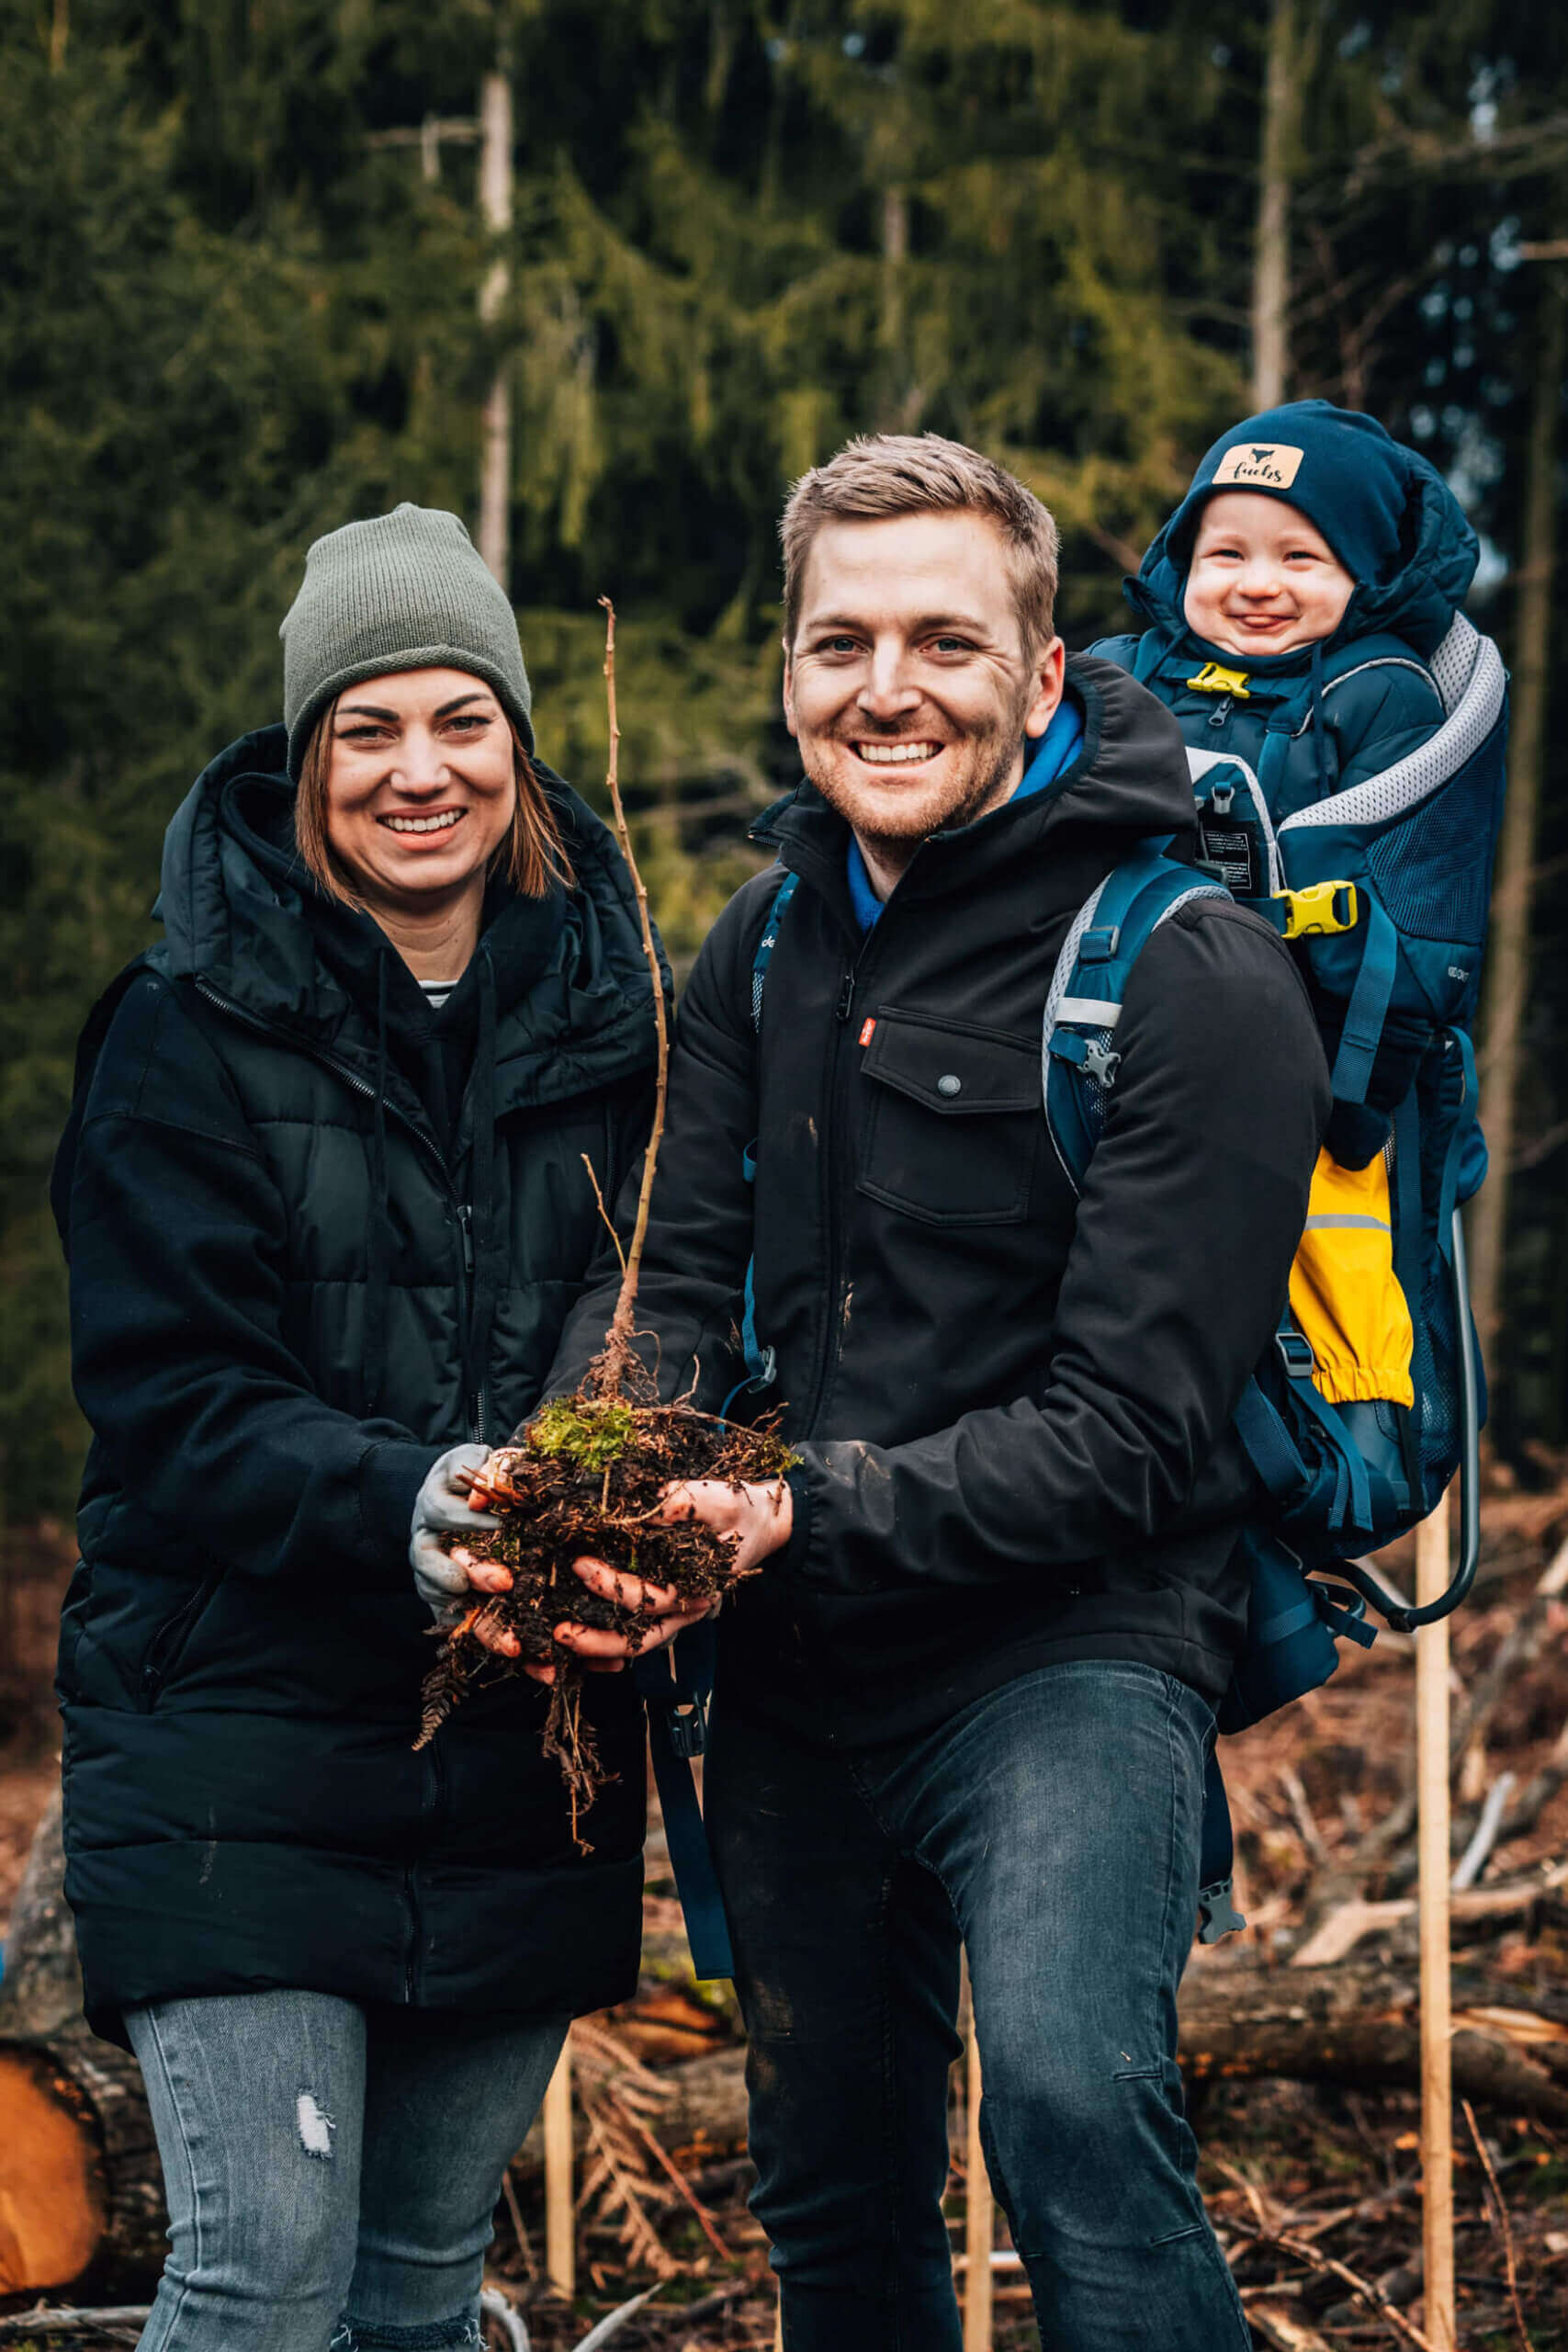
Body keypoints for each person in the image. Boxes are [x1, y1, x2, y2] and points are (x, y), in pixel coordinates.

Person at [438, 435, 1329, 2348]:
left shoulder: (1183, 968)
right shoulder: (762, 937)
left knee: (1079, 2114)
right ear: (785, 665)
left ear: (1035, 668)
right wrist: (594, 1466)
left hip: (1071, 1649)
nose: (885, 688)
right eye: (838, 641)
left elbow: (1132, 1427)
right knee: (832, 2184)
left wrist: (798, 1507)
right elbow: (671, 1272)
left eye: (942, 638)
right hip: (787, 1667)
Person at [51, 503, 678, 2352]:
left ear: (518, 738)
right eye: (367, 728)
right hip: (232, 1724)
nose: (421, 772)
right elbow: (171, 1402)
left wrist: (636, 1491)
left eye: (460, 720)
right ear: (307, 754)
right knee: (260, 2280)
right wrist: (406, 1495)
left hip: (517, 1742)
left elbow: (680, 1301)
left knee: (415, 2290)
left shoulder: (624, 1009)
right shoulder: (185, 1026)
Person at [1089, 398, 1481, 1159]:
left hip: (1298, 1057)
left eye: (1299, 558)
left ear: (1364, 576)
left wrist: (1355, 1095)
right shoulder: (1119, 672)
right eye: (1225, 555)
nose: (1258, 584)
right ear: (1183, 560)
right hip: (1106, 1024)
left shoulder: (1380, 694)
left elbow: (1414, 920)